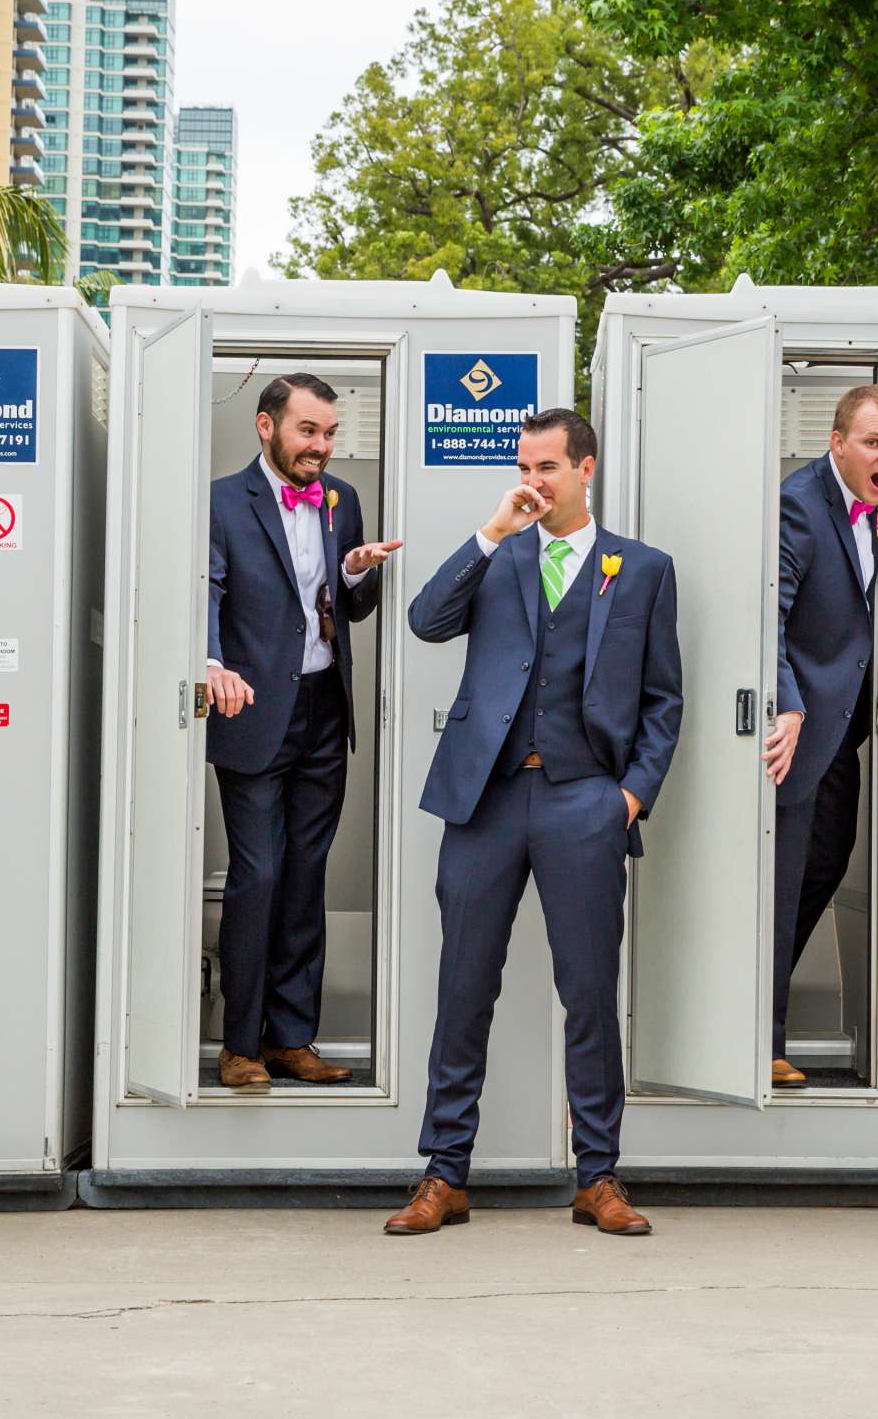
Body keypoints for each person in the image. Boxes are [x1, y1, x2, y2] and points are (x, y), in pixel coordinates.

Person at [387, 410, 682, 1238]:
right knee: (463, 989)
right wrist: (490, 531)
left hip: (583, 802)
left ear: (586, 469)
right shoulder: (501, 553)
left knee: (589, 995)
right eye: (526, 465)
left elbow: (664, 698)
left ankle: (599, 1178)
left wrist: (629, 797)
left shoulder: (645, 569)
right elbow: (424, 620)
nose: (535, 480)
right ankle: (444, 1175)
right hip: (483, 802)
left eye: (549, 466)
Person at [204, 373, 401, 1090]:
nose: (320, 446)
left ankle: (292, 1038)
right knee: (258, 876)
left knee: (305, 876)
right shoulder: (224, 500)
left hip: (324, 711)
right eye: (307, 431)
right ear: (266, 427)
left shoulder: (341, 500)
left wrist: (354, 572)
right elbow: (207, 588)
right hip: (251, 709)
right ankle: (239, 1046)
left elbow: (352, 606)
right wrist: (209, 662)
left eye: (328, 433)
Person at [760, 384, 878, 1088]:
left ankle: (757, 1013)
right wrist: (786, 706)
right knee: (783, 880)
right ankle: (762, 1039)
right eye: (875, 443)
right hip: (798, 732)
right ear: (837, 441)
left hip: (844, 729)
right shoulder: (799, 503)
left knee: (825, 864)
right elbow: (770, 616)